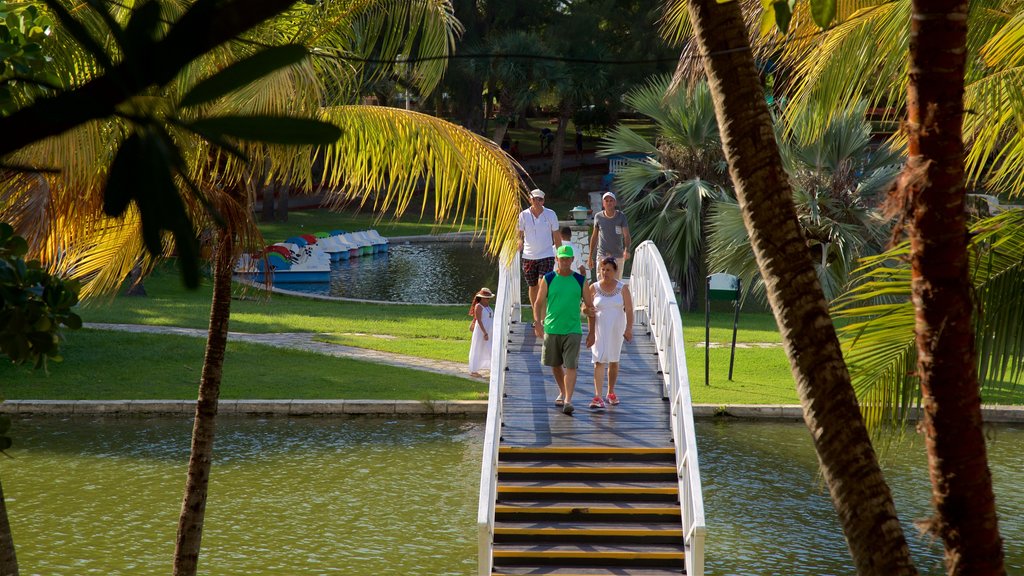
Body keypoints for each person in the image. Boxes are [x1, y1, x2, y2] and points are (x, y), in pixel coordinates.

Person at [534, 244, 595, 416]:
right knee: (555, 364)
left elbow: (589, 307)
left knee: (571, 365)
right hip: (552, 328)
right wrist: (537, 322)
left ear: (572, 260)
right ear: (557, 260)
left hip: (573, 329)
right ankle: (562, 391)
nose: (565, 261)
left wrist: (592, 332)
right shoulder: (548, 278)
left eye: (568, 258)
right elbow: (538, 303)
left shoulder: (580, 280)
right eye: (562, 258)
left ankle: (568, 400)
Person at [587, 258, 633, 410]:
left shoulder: (622, 288)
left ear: (615, 271)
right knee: (598, 360)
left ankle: (610, 392)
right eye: (603, 269)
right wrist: (586, 310)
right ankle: (597, 396)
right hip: (598, 327)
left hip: (616, 327)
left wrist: (629, 329)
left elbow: (630, 310)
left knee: (613, 359)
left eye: (608, 270)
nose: (605, 272)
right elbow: (584, 306)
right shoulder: (593, 287)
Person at [518, 188, 561, 309]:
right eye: (534, 199)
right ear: (530, 200)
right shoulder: (523, 215)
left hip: (546, 255)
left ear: (543, 201)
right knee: (532, 286)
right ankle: (536, 314)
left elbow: (556, 234)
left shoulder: (551, 214)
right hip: (528, 256)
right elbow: (519, 233)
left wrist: (560, 252)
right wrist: (519, 241)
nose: (537, 201)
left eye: (540, 199)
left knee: (543, 284)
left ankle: (542, 316)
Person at [589, 191, 631, 280]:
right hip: (602, 254)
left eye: (611, 200)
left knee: (617, 283)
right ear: (603, 203)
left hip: (618, 255)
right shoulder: (598, 216)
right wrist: (590, 257)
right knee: (601, 282)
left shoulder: (621, 216)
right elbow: (594, 236)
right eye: (606, 201)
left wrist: (627, 250)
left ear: (615, 202)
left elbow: (626, 235)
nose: (609, 203)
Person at [468, 287, 495, 377]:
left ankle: (492, 367)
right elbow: (479, 320)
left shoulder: (488, 307)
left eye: (489, 298)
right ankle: (473, 370)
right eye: (486, 298)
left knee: (490, 348)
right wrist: (484, 333)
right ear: (482, 297)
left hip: (489, 330)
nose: (488, 299)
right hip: (481, 331)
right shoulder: (478, 306)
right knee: (477, 348)